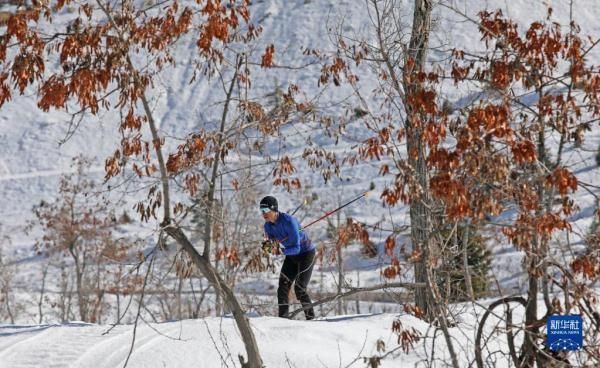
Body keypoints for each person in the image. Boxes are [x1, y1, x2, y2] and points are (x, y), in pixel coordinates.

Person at [260, 195, 316, 320]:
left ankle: (311, 319)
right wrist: (268, 245)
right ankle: (283, 319)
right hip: (291, 256)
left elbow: (296, 248)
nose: (263, 214)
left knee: (300, 288)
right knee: (283, 287)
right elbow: (271, 241)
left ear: (273, 209)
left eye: (265, 211)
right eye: (261, 211)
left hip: (306, 253)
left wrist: (279, 250)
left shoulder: (289, 222)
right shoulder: (267, 226)